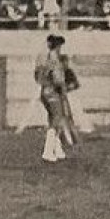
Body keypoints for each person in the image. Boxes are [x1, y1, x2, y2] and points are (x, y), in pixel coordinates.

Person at [34, 34, 80, 163]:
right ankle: (48, 151)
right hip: (53, 92)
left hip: (45, 91)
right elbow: (58, 79)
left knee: (53, 119)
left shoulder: (43, 58)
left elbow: (37, 76)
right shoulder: (54, 59)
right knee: (57, 119)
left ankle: (57, 148)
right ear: (58, 46)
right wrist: (63, 87)